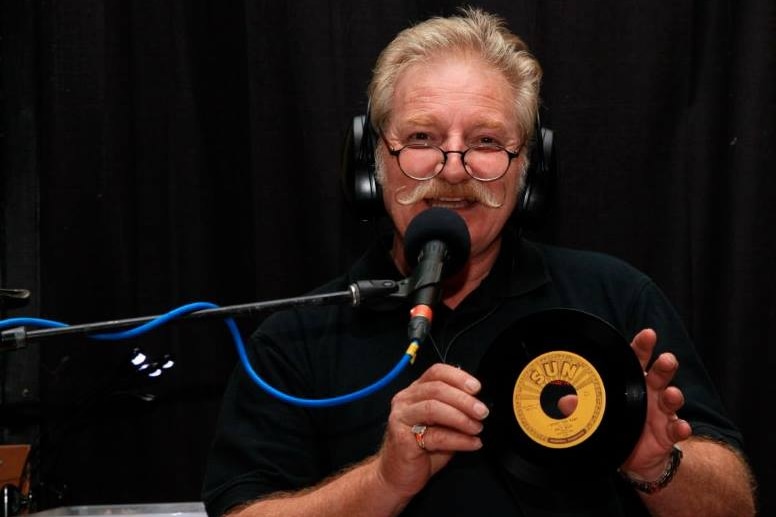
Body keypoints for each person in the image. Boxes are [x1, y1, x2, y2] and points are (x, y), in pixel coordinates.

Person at [201, 7, 756, 516]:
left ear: (529, 173)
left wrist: (654, 465)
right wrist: (384, 480)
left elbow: (735, 505)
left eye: (487, 140)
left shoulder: (615, 297)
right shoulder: (298, 337)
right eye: (422, 136)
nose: (454, 167)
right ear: (371, 166)